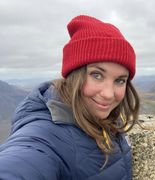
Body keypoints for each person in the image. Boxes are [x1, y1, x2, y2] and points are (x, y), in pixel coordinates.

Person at [0, 15, 140, 180]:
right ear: (75, 75)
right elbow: (20, 163)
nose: (109, 94)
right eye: (96, 75)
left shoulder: (103, 120)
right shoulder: (44, 134)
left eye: (120, 80)